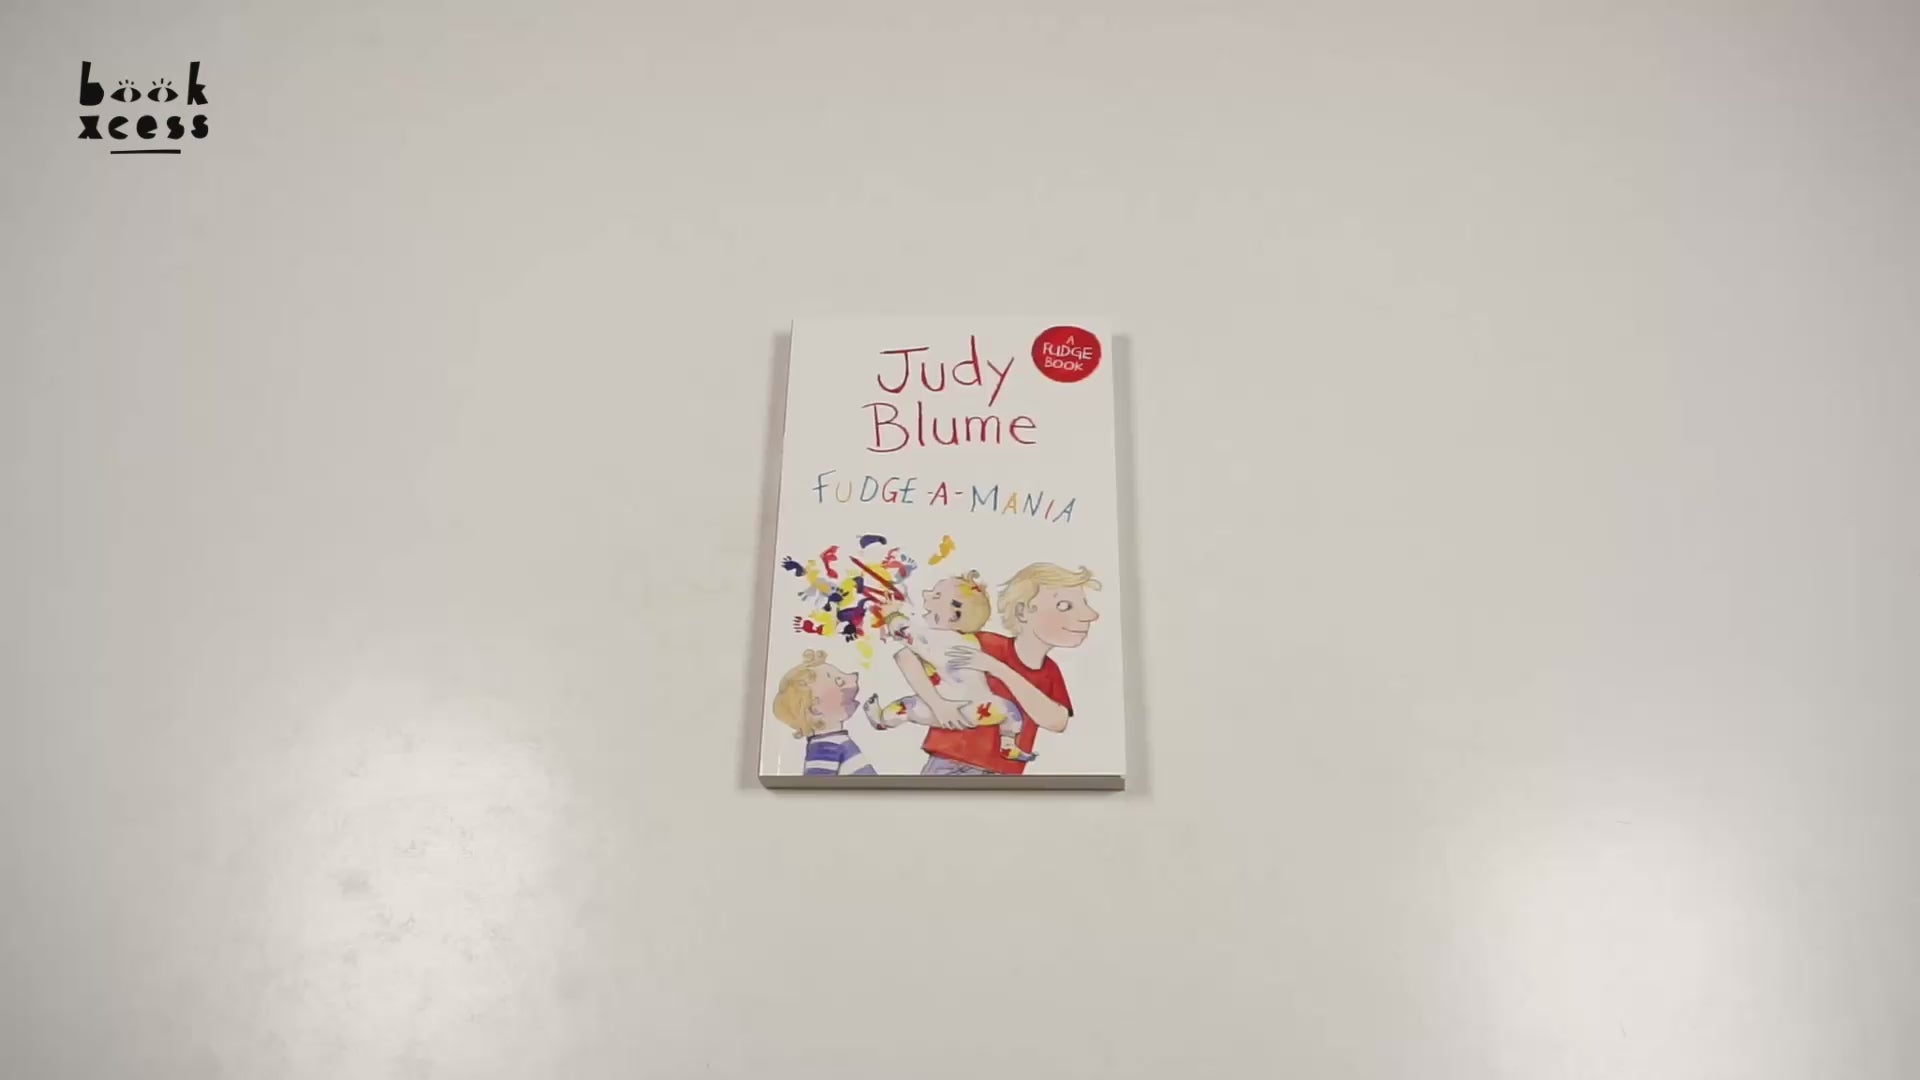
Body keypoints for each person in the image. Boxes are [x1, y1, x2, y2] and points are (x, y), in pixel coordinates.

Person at [893, 563, 1101, 776]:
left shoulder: (1050, 672)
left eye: (1083, 604)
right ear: (1022, 611)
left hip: (1002, 776)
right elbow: (906, 656)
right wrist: (937, 704)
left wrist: (996, 668)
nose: (1090, 615)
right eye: (1065, 606)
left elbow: (1057, 722)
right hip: (951, 764)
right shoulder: (979, 643)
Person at [865, 570, 1034, 764]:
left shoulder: (940, 641)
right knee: (1009, 710)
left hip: (949, 708)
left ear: (954, 615)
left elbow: (907, 633)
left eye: (936, 595)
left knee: (905, 707)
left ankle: (881, 721)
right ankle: (1008, 744)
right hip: (982, 707)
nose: (926, 594)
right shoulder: (968, 640)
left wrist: (892, 615)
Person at [770, 649, 877, 776]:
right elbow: (817, 784)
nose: (853, 677)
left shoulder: (835, 741)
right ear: (815, 709)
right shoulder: (825, 748)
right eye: (839, 681)